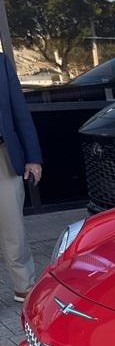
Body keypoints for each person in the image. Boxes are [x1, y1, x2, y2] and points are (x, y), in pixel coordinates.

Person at [0, 51, 44, 303]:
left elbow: (20, 111)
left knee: (12, 228)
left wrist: (33, 157)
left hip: (4, 155)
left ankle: (23, 286)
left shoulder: (1, 62)